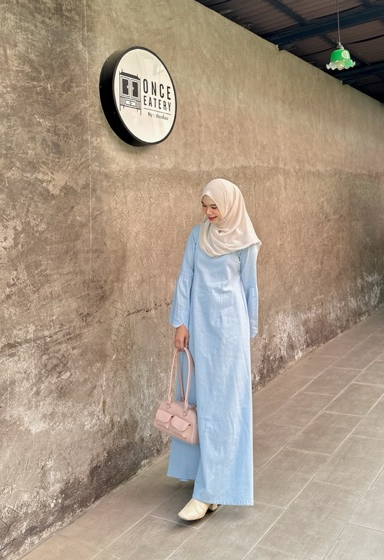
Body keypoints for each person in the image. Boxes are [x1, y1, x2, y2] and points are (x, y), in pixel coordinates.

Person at [167, 178, 261, 521]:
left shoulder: (245, 241)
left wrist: (248, 333)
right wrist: (181, 322)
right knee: (199, 401)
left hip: (230, 330)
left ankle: (208, 491)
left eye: (214, 206)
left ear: (230, 205)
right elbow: (186, 276)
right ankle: (210, 481)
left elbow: (249, 288)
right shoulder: (197, 235)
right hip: (199, 326)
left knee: (224, 406)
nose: (208, 212)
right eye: (204, 206)